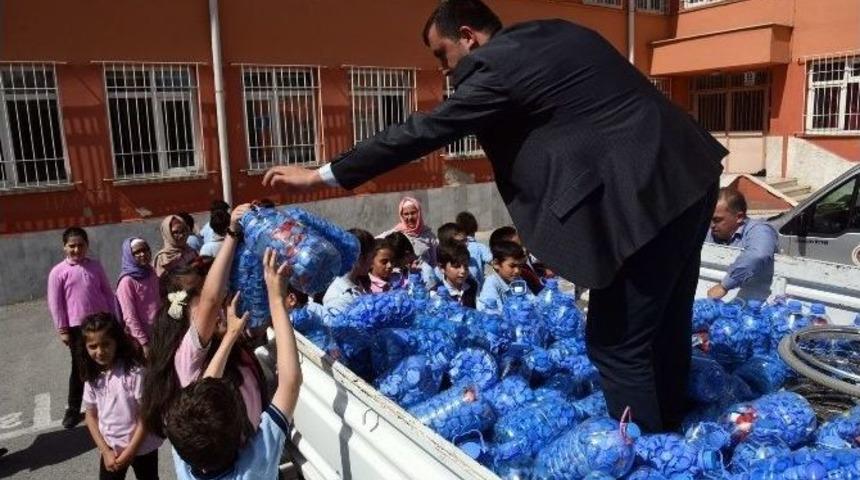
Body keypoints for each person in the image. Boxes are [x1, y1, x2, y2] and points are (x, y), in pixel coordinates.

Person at [261, 0, 726, 432]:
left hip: (641, 198)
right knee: (666, 322)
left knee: (616, 343)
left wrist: (322, 175)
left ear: (468, 37)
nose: (445, 71)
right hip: (688, 171)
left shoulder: (495, 66)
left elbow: (423, 131)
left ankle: (644, 453)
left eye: (443, 56)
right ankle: (673, 426)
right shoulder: (556, 32)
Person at [166, 249, 302, 480]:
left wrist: (230, 336)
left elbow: (290, 383)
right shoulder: (255, 466)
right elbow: (290, 382)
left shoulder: (184, 454)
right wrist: (276, 299)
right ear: (241, 424)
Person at [141, 205, 266, 439]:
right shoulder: (188, 354)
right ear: (184, 308)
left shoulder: (231, 343)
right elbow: (210, 300)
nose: (220, 307)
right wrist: (232, 233)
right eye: (201, 293)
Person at [48, 226, 117, 429]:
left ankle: (109, 402)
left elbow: (107, 293)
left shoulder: (95, 266)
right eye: (72, 246)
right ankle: (73, 409)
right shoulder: (58, 272)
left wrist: (114, 318)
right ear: (64, 247)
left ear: (87, 246)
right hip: (77, 327)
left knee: (107, 362)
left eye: (81, 245)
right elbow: (55, 303)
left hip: (102, 323)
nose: (76, 250)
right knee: (80, 367)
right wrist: (62, 329)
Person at [79, 313, 162, 480]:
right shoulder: (92, 377)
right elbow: (90, 416)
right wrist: (105, 451)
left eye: (106, 344)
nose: (100, 351)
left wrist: (131, 451)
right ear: (85, 347)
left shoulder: (135, 373)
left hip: (143, 447)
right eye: (93, 346)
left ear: (117, 341)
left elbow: (145, 416)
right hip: (111, 449)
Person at [706, 188, 778, 301]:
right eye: (709, 219)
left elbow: (758, 254)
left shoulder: (759, 230)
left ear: (739, 217)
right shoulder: (710, 231)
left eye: (717, 220)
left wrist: (724, 286)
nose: (711, 225)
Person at [116, 238, 161, 358]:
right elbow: (129, 316)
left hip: (159, 331)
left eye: (145, 250)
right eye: (137, 252)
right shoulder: (127, 281)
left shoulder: (150, 272)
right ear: (129, 255)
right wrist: (144, 343)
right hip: (142, 338)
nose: (143, 254)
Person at [323, 228, 374, 318]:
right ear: (359, 257)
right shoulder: (337, 296)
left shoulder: (359, 284)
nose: (372, 262)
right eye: (371, 257)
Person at [378, 196, 439, 266]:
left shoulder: (428, 236)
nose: (410, 217)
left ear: (419, 213)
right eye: (406, 214)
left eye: (413, 213)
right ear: (401, 215)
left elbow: (435, 261)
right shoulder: (395, 234)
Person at [477, 240, 532, 311]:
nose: (517, 271)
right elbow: (490, 312)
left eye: (520, 266)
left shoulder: (519, 280)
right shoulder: (492, 283)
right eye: (512, 266)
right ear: (496, 264)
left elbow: (530, 300)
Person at [489, 226, 543, 294]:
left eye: (522, 245)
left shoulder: (524, 272)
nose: (523, 250)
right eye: (517, 248)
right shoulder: (492, 283)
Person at [456, 211, 492, 288]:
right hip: (478, 291)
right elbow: (493, 261)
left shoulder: (454, 247)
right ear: (475, 227)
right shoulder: (480, 247)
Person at [436, 242, 478, 308]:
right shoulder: (436, 293)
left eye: (466, 266)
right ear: (441, 268)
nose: (463, 271)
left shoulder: (472, 285)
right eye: (456, 266)